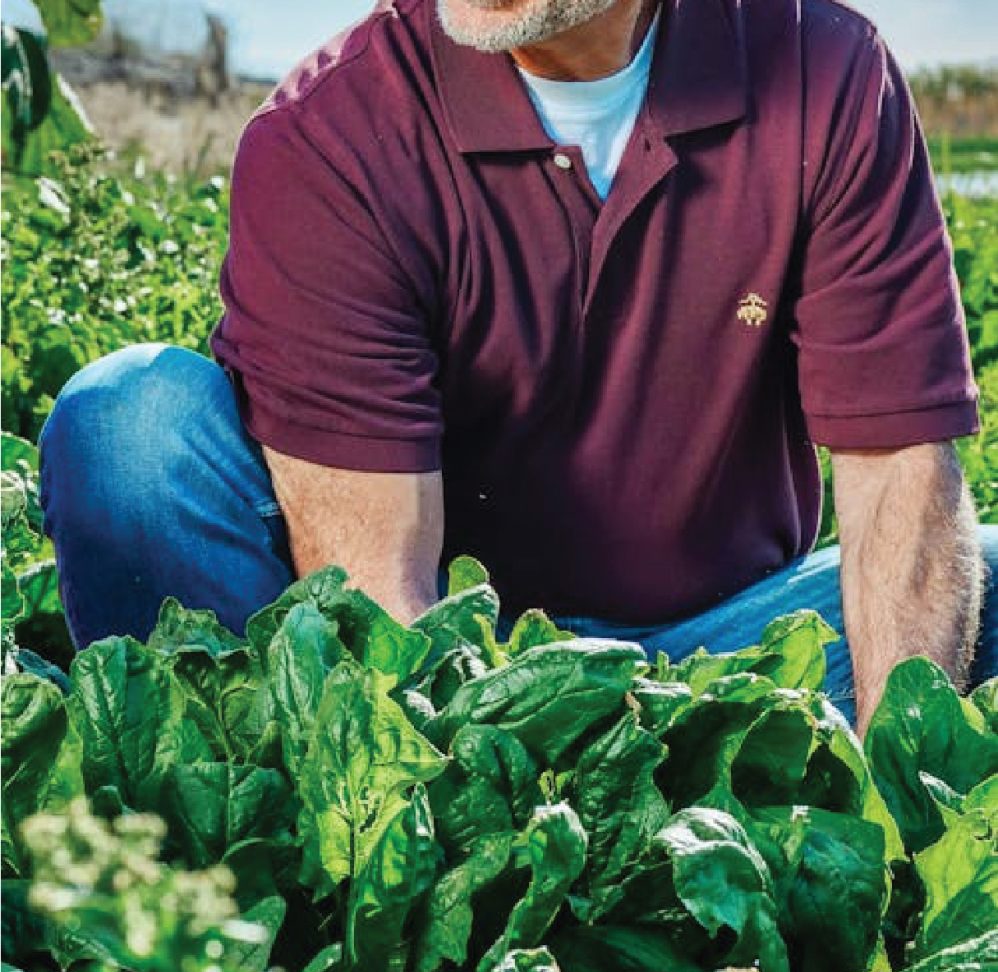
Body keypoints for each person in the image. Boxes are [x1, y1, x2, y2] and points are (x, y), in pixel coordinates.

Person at [40, 0, 996, 736]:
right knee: (128, 425)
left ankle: (744, 783)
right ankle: (249, 850)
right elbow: (380, 594)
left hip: (731, 644)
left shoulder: (823, 69)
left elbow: (903, 469)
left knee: (979, 571)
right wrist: (498, 819)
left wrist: (890, 816)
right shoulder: (332, 136)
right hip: (464, 666)